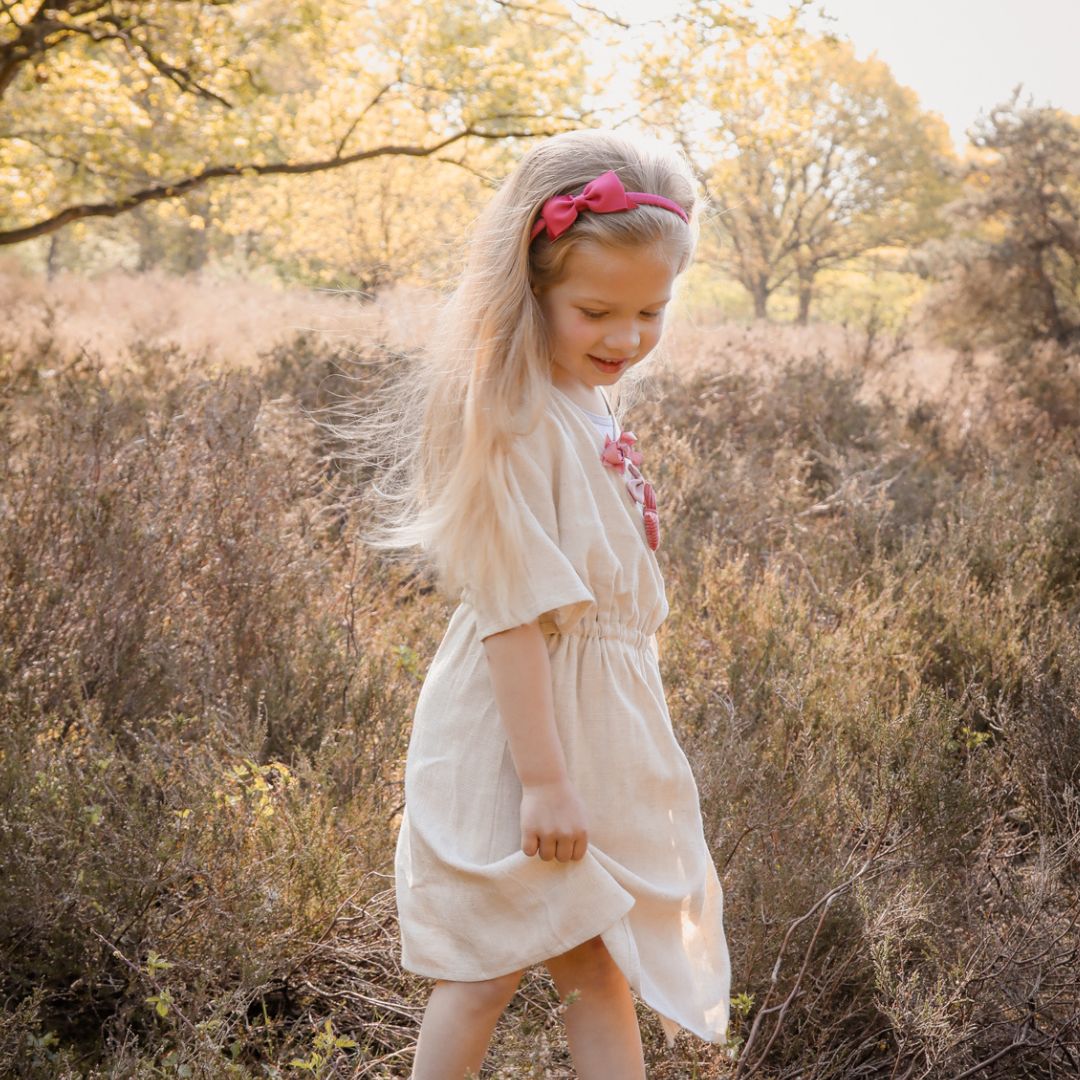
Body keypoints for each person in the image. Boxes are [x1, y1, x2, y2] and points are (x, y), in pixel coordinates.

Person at [340, 127, 731, 1079]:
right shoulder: (514, 417)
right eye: (598, 310)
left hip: (598, 721)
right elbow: (515, 614)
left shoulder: (587, 402)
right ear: (534, 289)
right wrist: (548, 780)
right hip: (519, 730)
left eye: (652, 312)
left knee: (599, 957)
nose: (628, 339)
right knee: (484, 966)